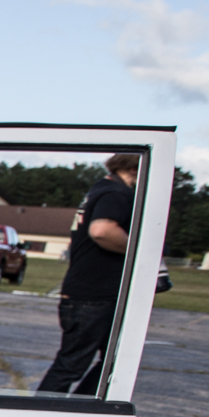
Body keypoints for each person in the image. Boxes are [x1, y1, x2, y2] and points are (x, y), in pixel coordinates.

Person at [36, 153, 138, 394]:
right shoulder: (115, 193)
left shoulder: (101, 189)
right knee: (71, 365)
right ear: (136, 168)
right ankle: (37, 416)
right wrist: (141, 249)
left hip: (92, 293)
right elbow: (102, 230)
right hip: (94, 294)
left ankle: (79, 409)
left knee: (115, 362)